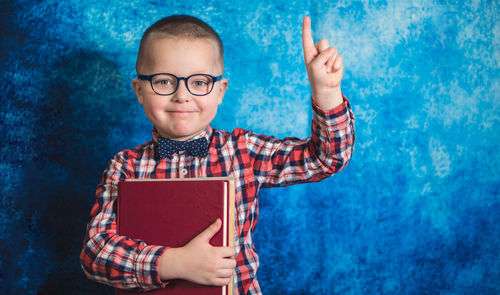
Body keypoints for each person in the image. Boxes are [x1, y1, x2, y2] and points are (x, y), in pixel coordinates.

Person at [80, 14, 355, 294]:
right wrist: (173, 263)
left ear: (220, 91)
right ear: (139, 90)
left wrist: (326, 91)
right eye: (163, 82)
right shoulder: (125, 166)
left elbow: (326, 159)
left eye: (199, 82)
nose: (182, 95)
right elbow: (94, 252)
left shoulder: (243, 151)